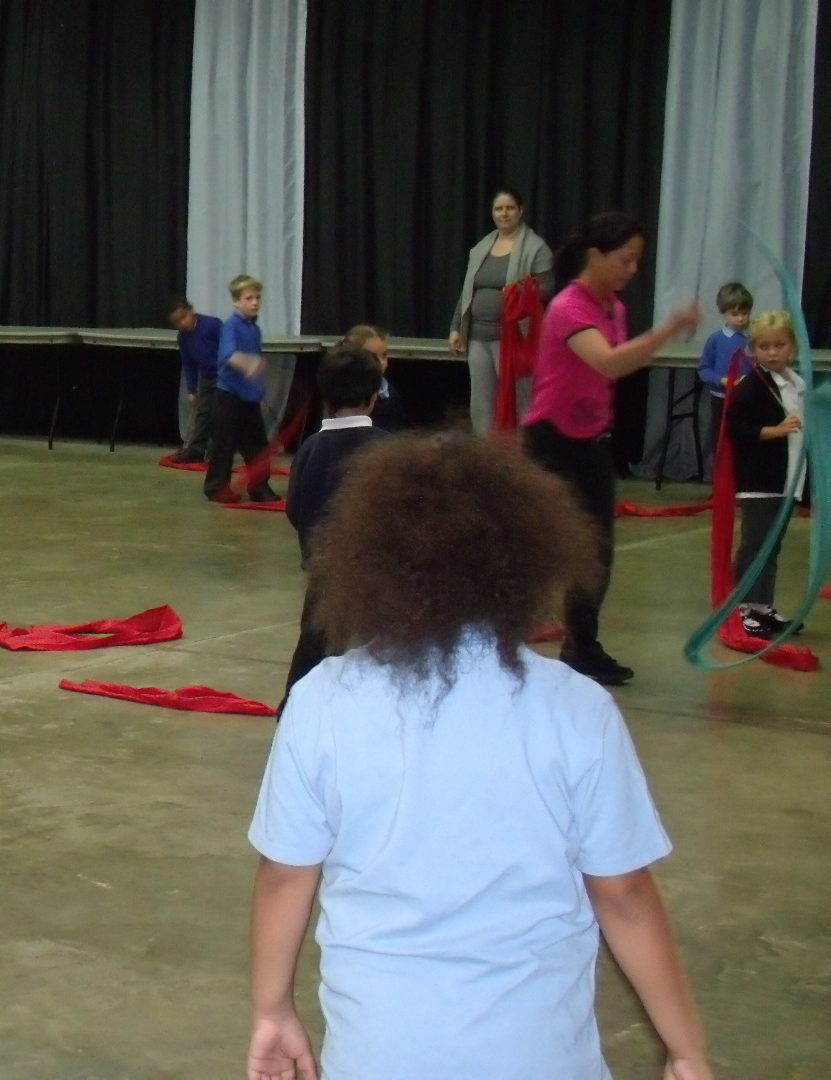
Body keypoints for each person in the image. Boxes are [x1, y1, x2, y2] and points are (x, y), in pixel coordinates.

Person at [247, 434, 711, 1080]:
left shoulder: (322, 701)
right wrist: (684, 1049)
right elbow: (625, 894)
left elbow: (285, 877)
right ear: (527, 564)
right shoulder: (578, 710)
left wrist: (272, 1009)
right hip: (540, 1057)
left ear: (366, 561)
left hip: (381, 1056)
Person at [523, 212, 699, 686]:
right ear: (595, 257)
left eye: (637, 261)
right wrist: (669, 329)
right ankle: (498, 638)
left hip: (589, 442)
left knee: (597, 551)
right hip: (550, 441)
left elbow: (617, 366)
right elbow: (609, 363)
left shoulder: (614, 309)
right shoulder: (569, 306)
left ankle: (581, 645)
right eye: (626, 259)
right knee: (535, 548)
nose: (632, 270)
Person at [280, 346, 389, 706]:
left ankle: (293, 712)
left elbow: (295, 507)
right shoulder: (387, 449)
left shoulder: (310, 448)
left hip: (323, 573)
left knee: (312, 650)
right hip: (376, 578)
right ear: (374, 397)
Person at [726, 309, 807, 639]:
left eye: (780, 345)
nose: (773, 353)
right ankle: (741, 608)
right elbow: (735, 429)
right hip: (760, 483)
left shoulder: (795, 383)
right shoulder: (752, 387)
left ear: (792, 347)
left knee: (771, 548)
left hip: (786, 480)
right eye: (765, 346)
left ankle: (762, 605)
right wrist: (774, 431)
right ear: (753, 350)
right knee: (755, 546)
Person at [449, 188, 554, 432]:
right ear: (492, 213)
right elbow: (468, 291)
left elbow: (548, 289)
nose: (504, 213)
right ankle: (487, 460)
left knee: (519, 402)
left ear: (520, 211)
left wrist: (516, 293)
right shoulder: (481, 247)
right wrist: (455, 327)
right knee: (481, 405)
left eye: (509, 208)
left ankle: (518, 459)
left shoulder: (536, 248)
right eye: (499, 208)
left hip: (514, 340)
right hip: (477, 338)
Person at [206, 275, 278, 504]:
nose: (255, 302)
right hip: (229, 396)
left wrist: (258, 387)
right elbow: (229, 355)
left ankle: (259, 487)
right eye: (249, 298)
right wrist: (250, 364)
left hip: (248, 397)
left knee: (257, 444)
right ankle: (216, 487)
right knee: (223, 444)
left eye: (257, 297)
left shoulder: (254, 329)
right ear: (236, 302)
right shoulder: (231, 326)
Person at [697, 283, 752, 468]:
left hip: (746, 401)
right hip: (721, 400)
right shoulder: (715, 340)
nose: (740, 318)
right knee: (720, 444)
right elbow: (703, 369)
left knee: (744, 443)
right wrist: (721, 380)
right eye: (734, 314)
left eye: (744, 313)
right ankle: (720, 489)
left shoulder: (753, 339)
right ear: (724, 313)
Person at [167, 296, 223, 463]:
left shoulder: (213, 325)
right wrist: (192, 390)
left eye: (184, 317)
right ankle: (196, 450)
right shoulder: (182, 338)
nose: (182, 323)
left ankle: (216, 454)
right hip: (207, 378)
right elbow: (189, 364)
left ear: (191, 310)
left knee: (219, 414)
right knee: (203, 414)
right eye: (177, 322)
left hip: (225, 377)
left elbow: (230, 346)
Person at [340, 325, 403, 431]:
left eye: (384, 355)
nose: (381, 363)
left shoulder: (390, 395)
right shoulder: (338, 390)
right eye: (373, 356)